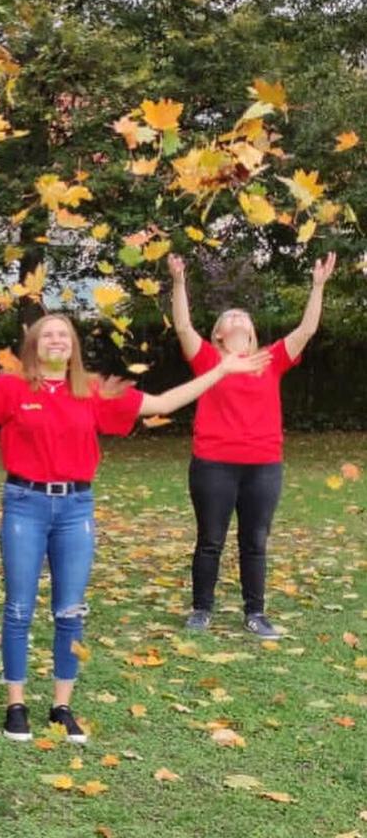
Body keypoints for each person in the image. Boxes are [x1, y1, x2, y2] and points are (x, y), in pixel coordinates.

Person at [0, 314, 269, 743]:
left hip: (76, 509)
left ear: (73, 346)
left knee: (69, 612)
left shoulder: (92, 390)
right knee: (19, 609)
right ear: (34, 346)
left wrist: (220, 369)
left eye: (64, 334)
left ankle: (62, 707)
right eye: (47, 334)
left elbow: (162, 404)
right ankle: (15, 706)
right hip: (25, 506)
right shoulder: (13, 388)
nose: (56, 340)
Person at [168, 252, 337, 639]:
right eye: (229, 317)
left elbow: (307, 329)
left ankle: (255, 613)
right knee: (210, 539)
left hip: (263, 466)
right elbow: (182, 325)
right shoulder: (208, 359)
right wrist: (178, 283)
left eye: (242, 316)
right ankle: (201, 609)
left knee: (255, 541)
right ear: (219, 334)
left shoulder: (270, 359)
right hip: (213, 464)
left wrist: (318, 286)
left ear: (251, 331)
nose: (237, 317)